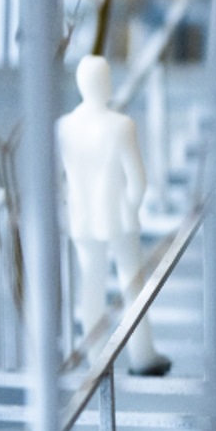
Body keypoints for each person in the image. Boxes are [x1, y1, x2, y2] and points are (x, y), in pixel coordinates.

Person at [60, 54, 169, 375]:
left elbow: (59, 178)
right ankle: (142, 354)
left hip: (83, 217)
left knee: (90, 287)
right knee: (132, 284)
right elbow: (137, 179)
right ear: (105, 84)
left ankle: (96, 358)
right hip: (119, 217)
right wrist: (130, 208)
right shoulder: (121, 126)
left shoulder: (64, 127)